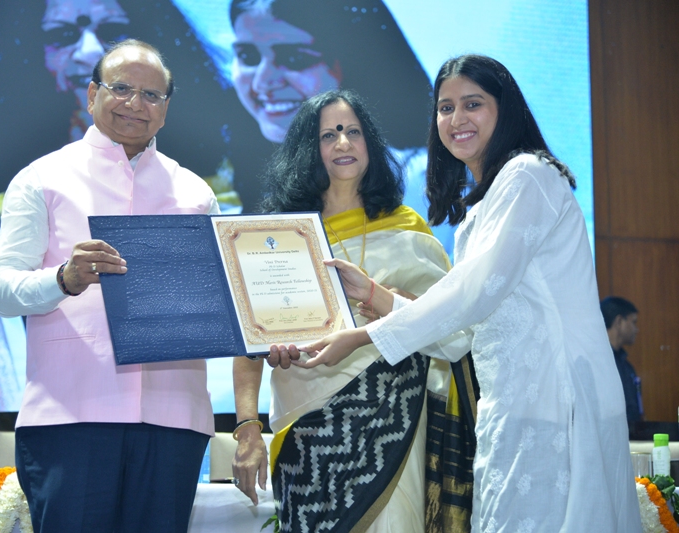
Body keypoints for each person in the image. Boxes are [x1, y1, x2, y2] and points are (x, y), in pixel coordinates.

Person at [278, 55, 642, 531]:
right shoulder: (479, 212)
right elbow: (456, 339)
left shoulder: (528, 174)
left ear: (505, 109)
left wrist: (362, 336)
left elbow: (473, 293)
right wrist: (374, 294)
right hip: (508, 407)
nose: (457, 119)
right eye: (445, 108)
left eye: (473, 104)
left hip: (559, 398)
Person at [0, 39, 218, 532]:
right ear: (92, 95)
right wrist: (63, 279)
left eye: (151, 95)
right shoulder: (43, 178)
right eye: (121, 88)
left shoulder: (196, 192)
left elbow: (223, 296)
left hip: (174, 417)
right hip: (70, 415)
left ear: (166, 109)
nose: (135, 104)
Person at [231, 88, 478, 532]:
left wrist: (385, 299)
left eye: (353, 132)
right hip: (304, 422)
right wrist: (248, 426)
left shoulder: (407, 229)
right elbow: (247, 342)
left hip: (395, 419)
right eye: (328, 135)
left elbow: (450, 327)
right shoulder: (275, 235)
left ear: (370, 143)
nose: (342, 143)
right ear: (308, 149)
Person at [0, 0, 238, 211]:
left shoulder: (220, 157)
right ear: (21, 51)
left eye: (114, 32)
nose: (91, 52)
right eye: (61, 36)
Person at [226, 0, 455, 255]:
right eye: (248, 57)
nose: (263, 82)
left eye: (294, 58)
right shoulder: (233, 188)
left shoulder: (424, 182)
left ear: (352, 64)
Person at [601, 296, 643, 425]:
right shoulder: (599, 363)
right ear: (619, 322)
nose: (637, 329)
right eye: (633, 322)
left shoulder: (625, 365)